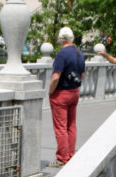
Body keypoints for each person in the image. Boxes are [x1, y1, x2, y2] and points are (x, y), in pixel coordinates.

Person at [48, 26, 84, 168]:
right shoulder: (79, 53)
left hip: (61, 93)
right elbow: (82, 75)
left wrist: (50, 91)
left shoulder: (62, 54)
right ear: (72, 37)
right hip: (74, 92)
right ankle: (70, 154)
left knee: (60, 126)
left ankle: (62, 157)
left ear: (60, 39)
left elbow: (56, 76)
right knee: (71, 125)